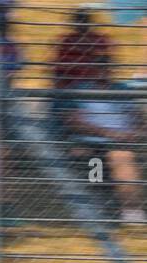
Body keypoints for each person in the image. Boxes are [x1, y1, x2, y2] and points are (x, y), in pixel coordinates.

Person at [52, 7, 144, 223]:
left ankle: (132, 213)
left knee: (121, 155)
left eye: (107, 63)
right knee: (97, 159)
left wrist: (138, 132)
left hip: (121, 141)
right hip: (93, 140)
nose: (104, 68)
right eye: (99, 64)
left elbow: (139, 117)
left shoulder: (122, 90)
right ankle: (101, 211)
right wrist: (111, 134)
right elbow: (72, 120)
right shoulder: (81, 89)